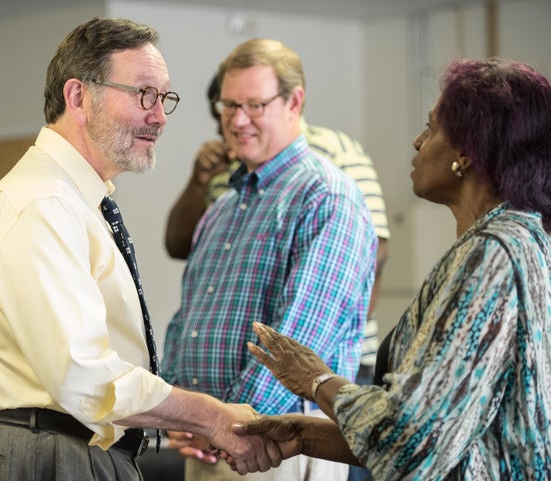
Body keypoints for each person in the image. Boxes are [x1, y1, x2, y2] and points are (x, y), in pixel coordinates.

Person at [0, 17, 281, 481]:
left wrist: (169, 420)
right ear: (78, 97)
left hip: (78, 447)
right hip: (52, 454)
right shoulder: (42, 204)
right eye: (143, 95)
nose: (160, 116)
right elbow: (83, 374)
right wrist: (210, 415)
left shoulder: (77, 200)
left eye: (164, 97)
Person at [231, 58, 551, 480]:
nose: (419, 141)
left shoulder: (493, 252)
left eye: (432, 128)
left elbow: (411, 434)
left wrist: (315, 380)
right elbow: (450, 436)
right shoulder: (514, 239)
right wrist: (303, 434)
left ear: (467, 153)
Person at [161, 38, 378, 481]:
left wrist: (221, 426)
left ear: (294, 101)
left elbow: (297, 343)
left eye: (255, 105)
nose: (237, 121)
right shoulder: (224, 204)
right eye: (227, 106)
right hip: (208, 443)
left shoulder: (326, 196)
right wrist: (181, 416)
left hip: (275, 445)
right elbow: (187, 322)